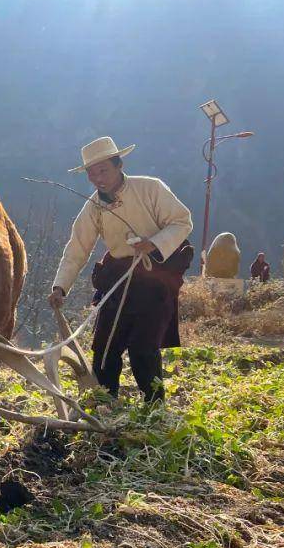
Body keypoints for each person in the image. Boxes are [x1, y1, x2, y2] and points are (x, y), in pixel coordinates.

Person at [49, 136, 193, 402]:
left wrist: (154, 243)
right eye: (91, 173)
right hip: (117, 279)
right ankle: (105, 404)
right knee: (104, 348)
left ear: (119, 165)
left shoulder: (150, 189)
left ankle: (154, 407)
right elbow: (78, 247)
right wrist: (60, 286)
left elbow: (181, 222)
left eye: (102, 170)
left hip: (154, 277)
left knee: (143, 349)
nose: (97, 178)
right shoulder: (93, 206)